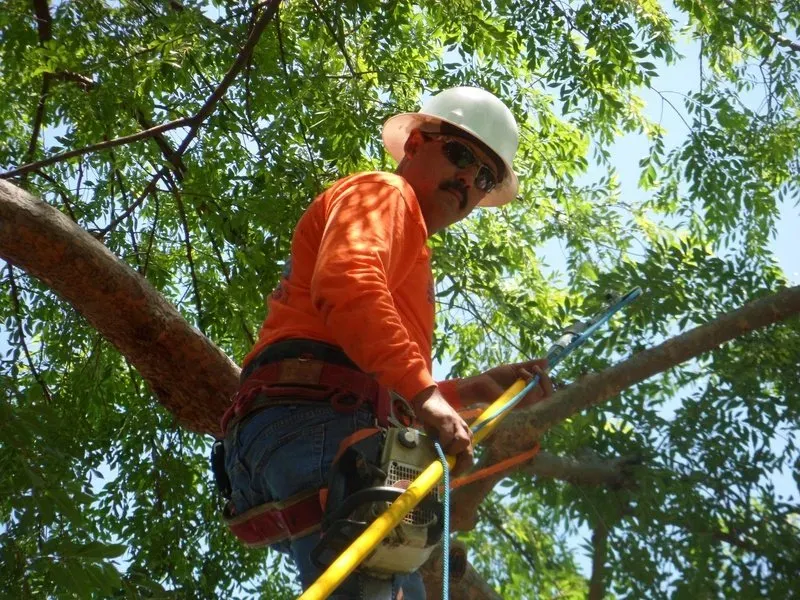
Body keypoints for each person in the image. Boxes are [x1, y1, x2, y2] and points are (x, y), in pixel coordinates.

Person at [219, 86, 553, 599]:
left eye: (484, 177)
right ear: (416, 143)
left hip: (299, 430)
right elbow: (348, 285)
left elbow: (373, 370)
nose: (467, 179)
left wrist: (467, 391)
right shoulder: (385, 193)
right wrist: (428, 397)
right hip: (319, 423)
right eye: (460, 154)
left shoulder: (409, 249)